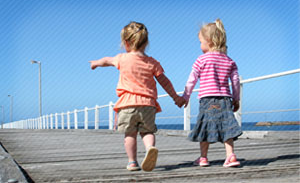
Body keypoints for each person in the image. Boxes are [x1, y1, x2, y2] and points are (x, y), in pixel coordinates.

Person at [89, 21, 184, 172]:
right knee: (147, 132)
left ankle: (132, 161)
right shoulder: (152, 62)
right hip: (148, 104)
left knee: (130, 134)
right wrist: (176, 98)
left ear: (126, 43)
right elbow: (164, 82)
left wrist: (95, 63)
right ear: (146, 42)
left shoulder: (122, 58)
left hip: (127, 105)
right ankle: (150, 148)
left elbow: (107, 60)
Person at [179, 19, 243, 168]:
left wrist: (185, 97)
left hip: (207, 99)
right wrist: (236, 98)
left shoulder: (201, 60)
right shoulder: (229, 61)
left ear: (208, 41)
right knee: (227, 126)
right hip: (225, 99)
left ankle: (203, 158)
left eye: (201, 42)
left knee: (205, 127)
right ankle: (230, 156)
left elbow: (191, 80)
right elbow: (235, 82)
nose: (200, 45)